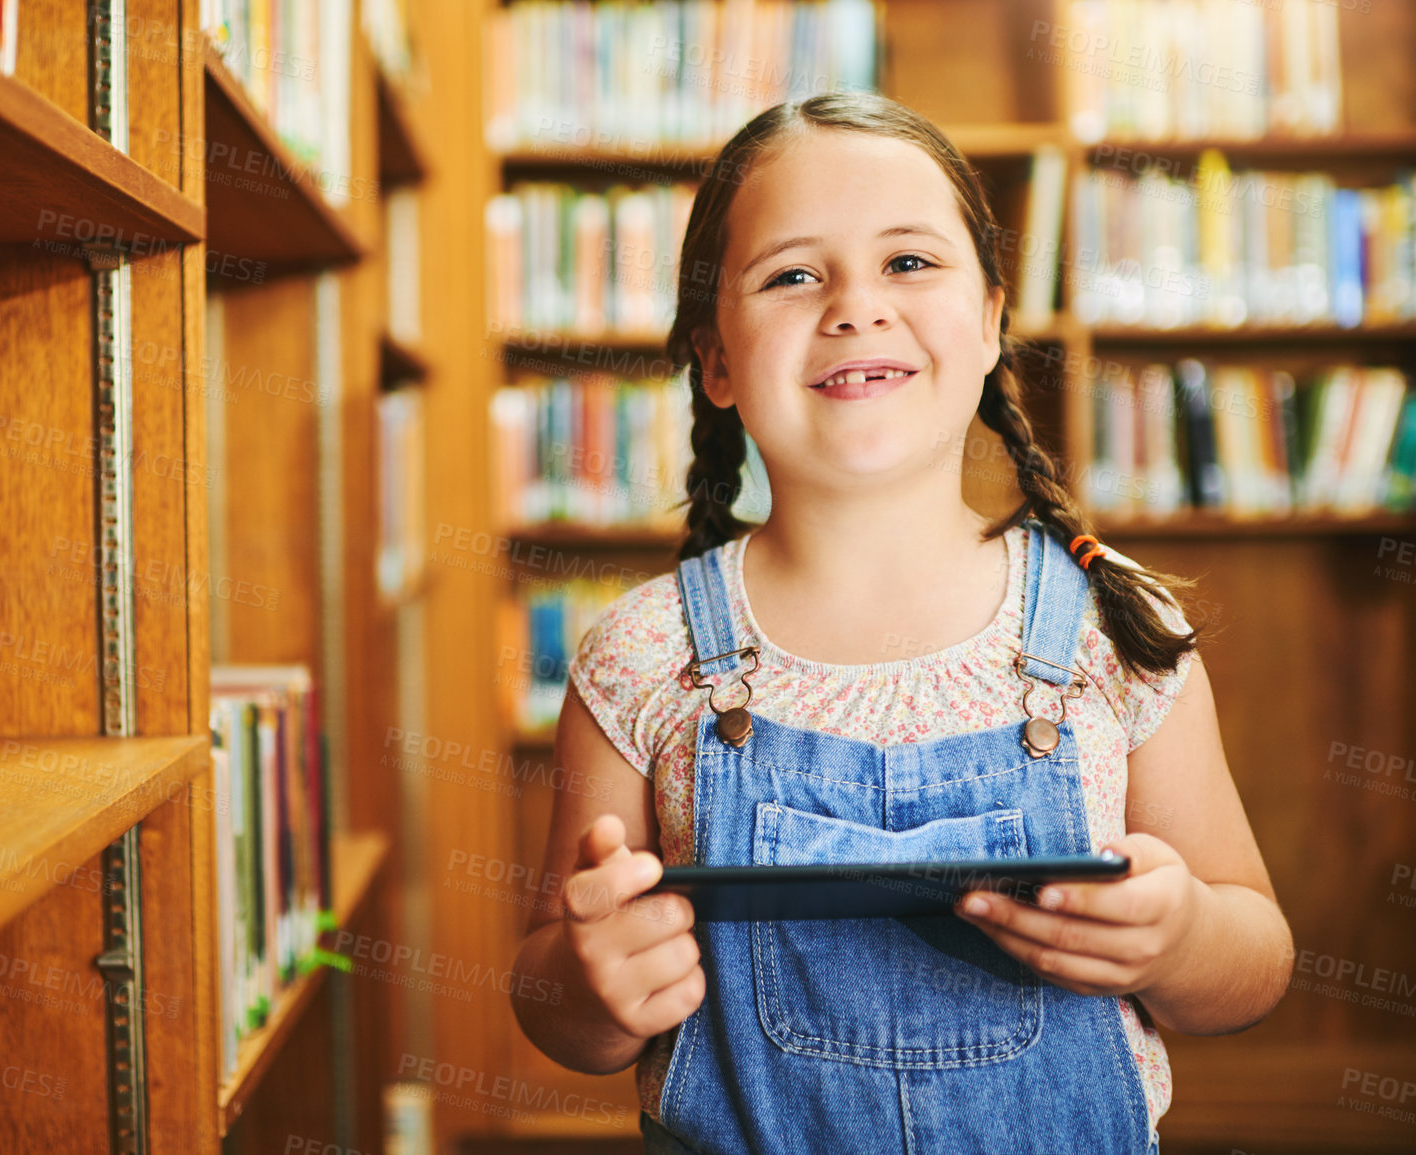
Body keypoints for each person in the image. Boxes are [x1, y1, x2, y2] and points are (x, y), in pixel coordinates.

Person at [508, 91, 1293, 1155]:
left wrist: (1183, 936)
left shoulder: (1117, 627)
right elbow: (553, 995)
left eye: (910, 264)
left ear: (989, 322)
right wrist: (592, 984)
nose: (854, 307)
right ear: (716, 360)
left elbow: (1255, 963)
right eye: (792, 275)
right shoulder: (645, 657)